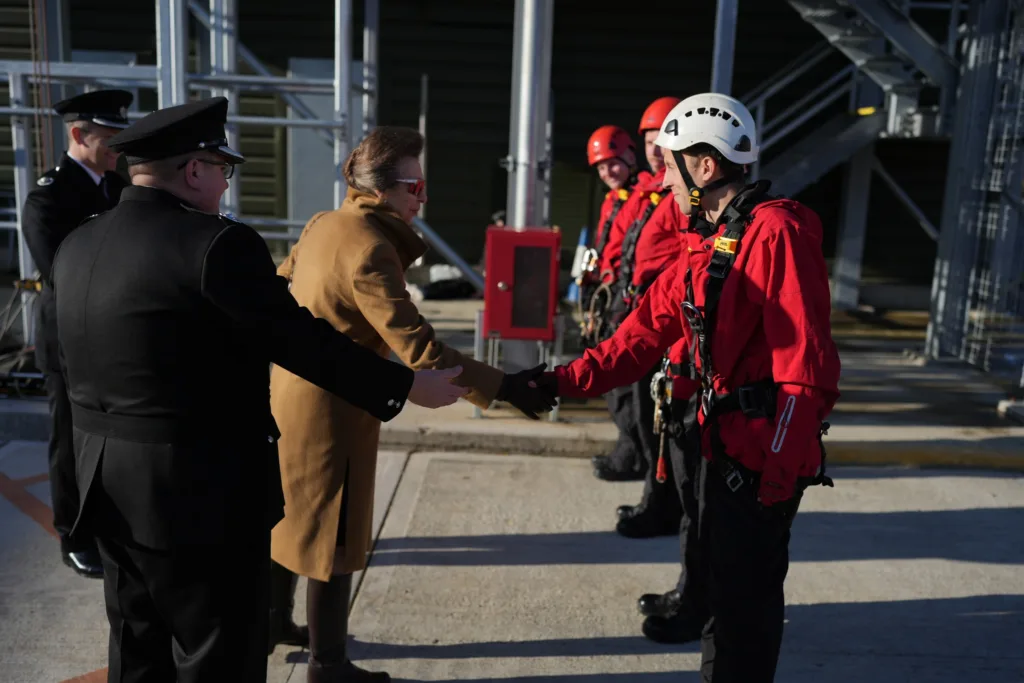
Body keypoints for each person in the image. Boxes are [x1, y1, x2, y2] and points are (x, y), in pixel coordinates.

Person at [50, 96, 468, 683]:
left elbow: (64, 376)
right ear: (195, 169)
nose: (225, 185)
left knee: (138, 648)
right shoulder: (217, 245)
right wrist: (404, 386)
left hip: (107, 487)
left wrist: (73, 494)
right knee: (217, 656)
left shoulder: (78, 246)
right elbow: (299, 339)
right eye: (223, 169)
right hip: (199, 494)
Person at [538, 93, 841, 682]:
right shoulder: (711, 241)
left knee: (744, 612)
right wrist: (548, 384)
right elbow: (640, 335)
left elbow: (806, 372)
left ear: (705, 166)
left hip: (760, 463)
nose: (662, 178)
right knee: (723, 602)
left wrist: (776, 480)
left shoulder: (776, 232)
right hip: (722, 444)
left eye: (669, 163)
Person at [271, 126, 556, 683]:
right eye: (415, 186)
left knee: (289, 517)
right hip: (335, 411)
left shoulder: (324, 222)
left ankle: (273, 623)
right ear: (382, 190)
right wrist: (504, 387)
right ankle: (328, 666)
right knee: (334, 534)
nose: (423, 198)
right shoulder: (372, 248)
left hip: (290, 394)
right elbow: (419, 346)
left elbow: (281, 287)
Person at [20, 89, 133, 579]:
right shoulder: (49, 196)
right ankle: (73, 534)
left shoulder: (118, 186)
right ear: (77, 134)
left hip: (114, 335)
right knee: (69, 439)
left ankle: (107, 524)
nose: (116, 150)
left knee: (112, 437)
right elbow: (62, 271)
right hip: (68, 337)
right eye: (108, 140)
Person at [593, 96, 685, 542]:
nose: (654, 148)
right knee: (644, 411)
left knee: (658, 418)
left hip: (663, 325)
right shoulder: (652, 191)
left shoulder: (679, 196)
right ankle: (656, 496)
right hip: (638, 315)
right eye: (649, 140)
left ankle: (662, 505)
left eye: (662, 140)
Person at [578, 124, 646, 482]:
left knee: (624, 379)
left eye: (614, 164)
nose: (608, 173)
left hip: (625, 297)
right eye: (602, 167)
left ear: (631, 157)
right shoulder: (612, 201)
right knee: (611, 376)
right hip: (608, 296)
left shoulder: (644, 196)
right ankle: (629, 446)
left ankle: (632, 453)